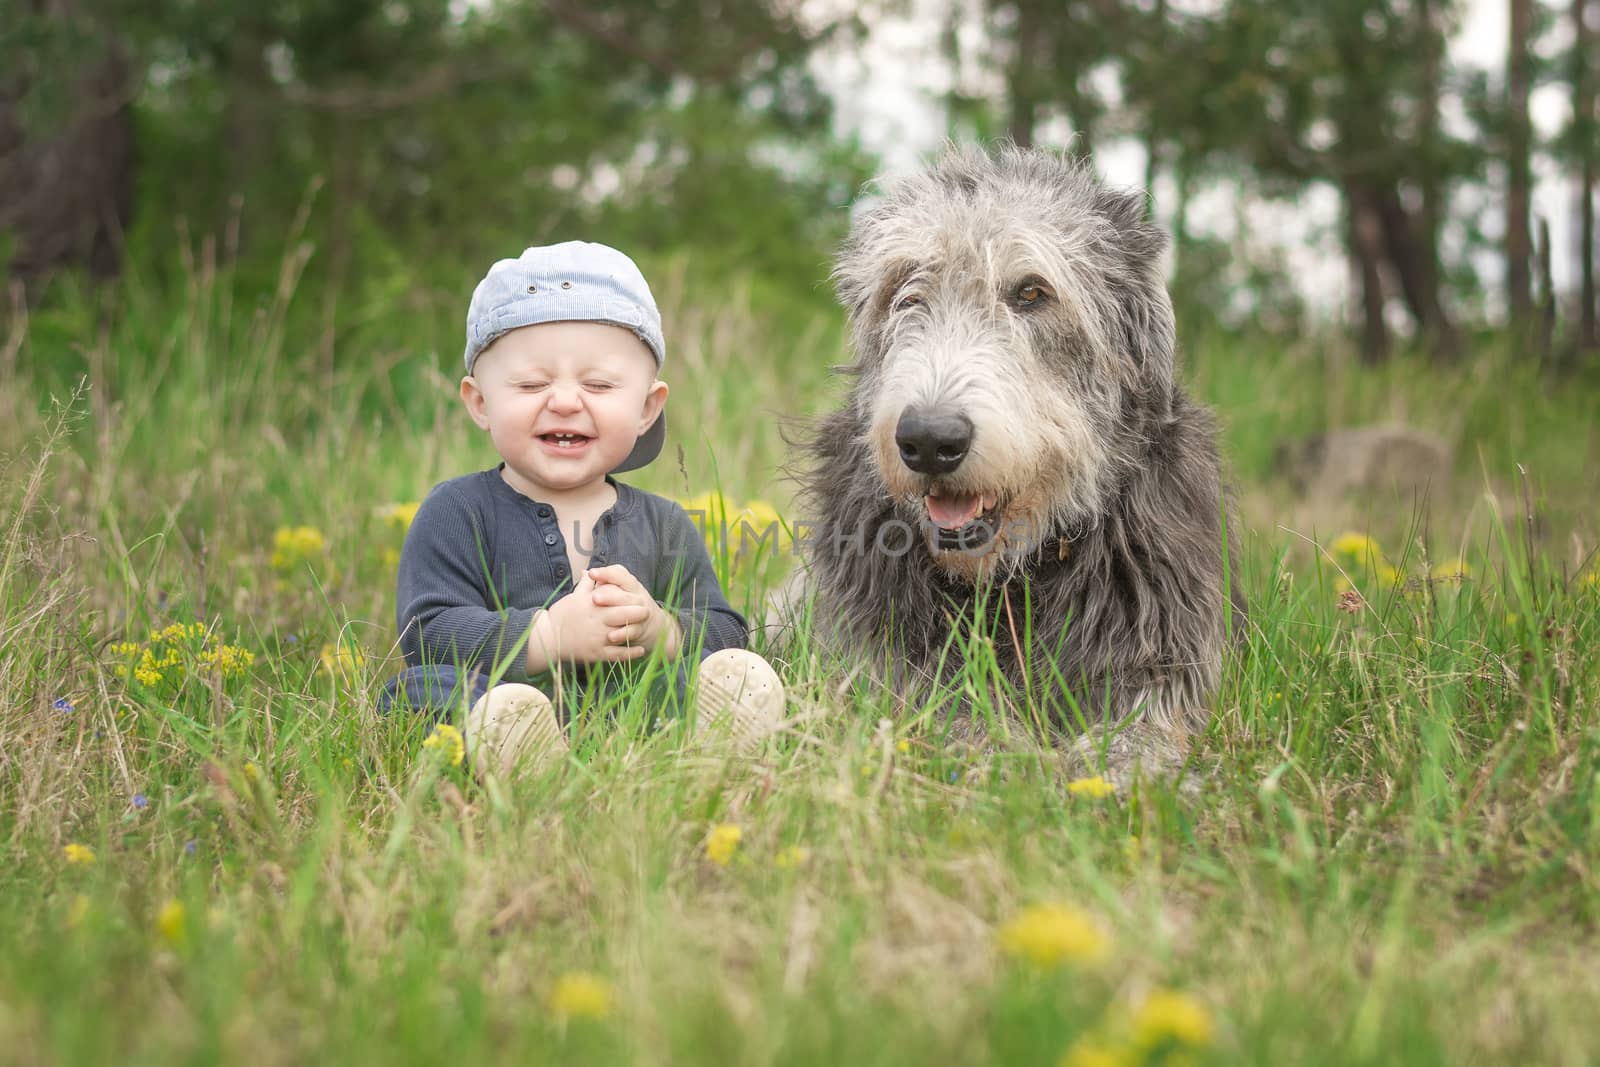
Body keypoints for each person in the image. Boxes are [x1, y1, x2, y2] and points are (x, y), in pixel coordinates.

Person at [379, 241, 785, 776]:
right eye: (530, 383)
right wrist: (546, 636)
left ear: (646, 407)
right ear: (480, 402)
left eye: (597, 384)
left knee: (723, 669)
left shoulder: (663, 523)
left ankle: (706, 747)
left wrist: (662, 630)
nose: (566, 401)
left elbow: (724, 628)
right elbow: (427, 635)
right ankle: (511, 747)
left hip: (630, 709)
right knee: (421, 689)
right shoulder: (457, 510)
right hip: (502, 695)